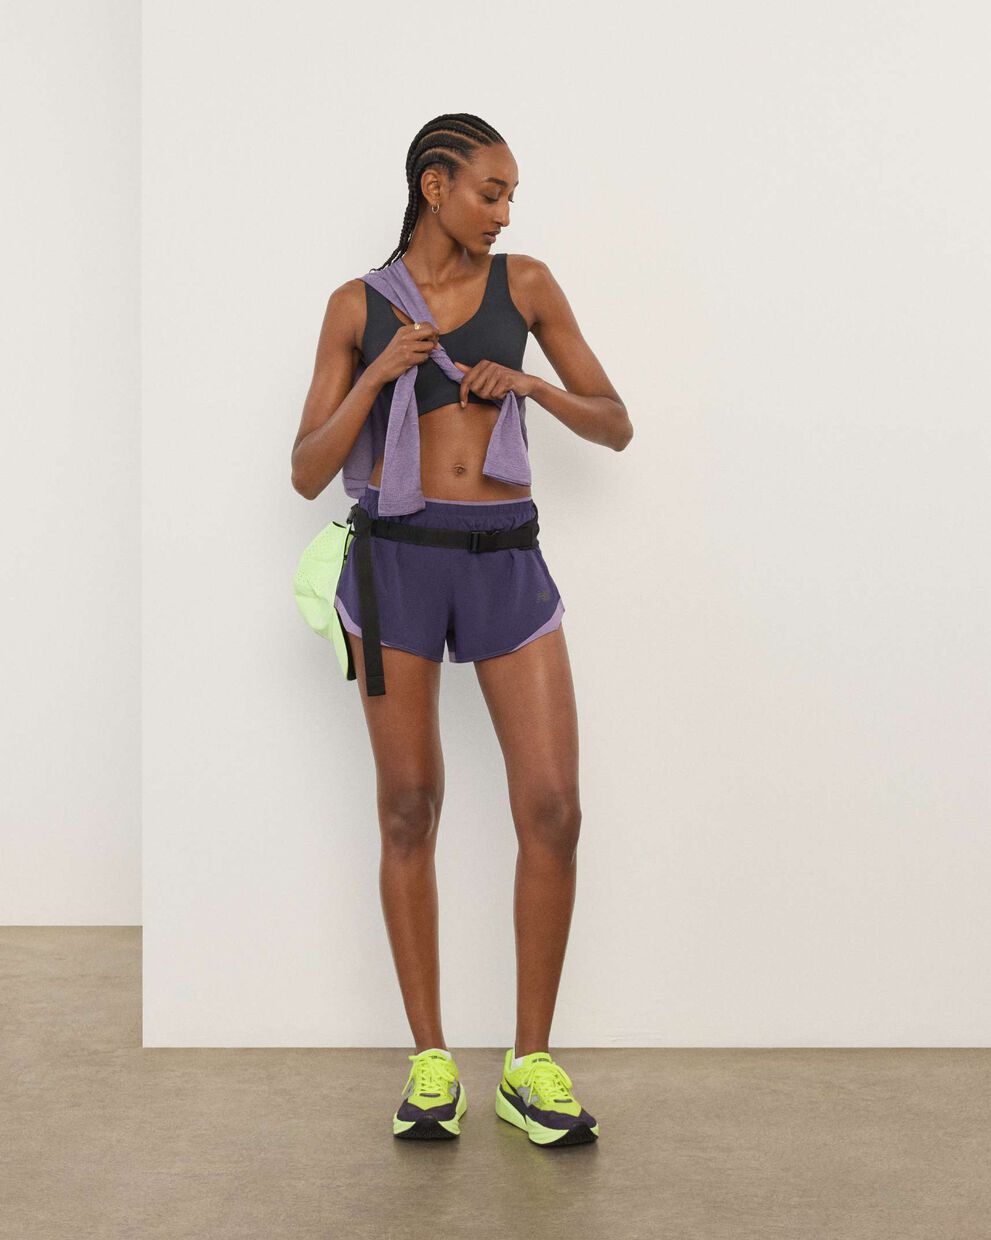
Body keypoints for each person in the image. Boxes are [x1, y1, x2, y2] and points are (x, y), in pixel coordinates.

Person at [291, 113, 632, 1147]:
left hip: (504, 563)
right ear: (435, 185)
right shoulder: (357, 305)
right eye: (490, 190)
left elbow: (614, 420)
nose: (503, 212)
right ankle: (430, 1063)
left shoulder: (524, 285)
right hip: (395, 566)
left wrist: (531, 383)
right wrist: (376, 372)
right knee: (408, 807)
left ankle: (529, 1066)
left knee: (555, 808)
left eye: (510, 195)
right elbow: (308, 468)